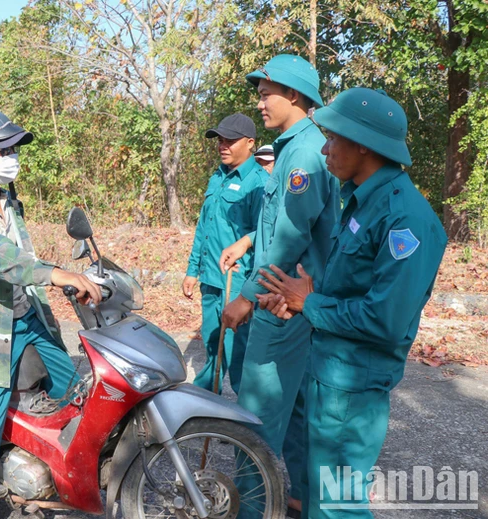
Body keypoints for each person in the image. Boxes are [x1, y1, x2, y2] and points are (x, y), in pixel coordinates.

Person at [256, 88, 447, 518]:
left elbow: (386, 319)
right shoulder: (363, 200)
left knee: (337, 508)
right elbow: (348, 289)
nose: (324, 148)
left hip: (353, 388)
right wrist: (297, 299)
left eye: (334, 138)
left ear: (364, 144)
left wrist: (310, 305)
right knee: (322, 502)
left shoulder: (405, 218)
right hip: (329, 376)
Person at [0, 110, 102, 519]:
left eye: (13, 148)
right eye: (2, 149)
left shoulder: (10, 200)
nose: (12, 156)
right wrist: (54, 272)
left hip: (26, 319)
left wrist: (62, 280)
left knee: (76, 395)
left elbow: (20, 258)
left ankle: (62, 477)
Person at [217, 54, 340, 516]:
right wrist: (250, 240)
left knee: (255, 423)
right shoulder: (296, 147)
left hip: (279, 305)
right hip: (294, 303)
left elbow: (288, 239)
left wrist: (244, 300)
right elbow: (278, 226)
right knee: (299, 418)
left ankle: (252, 509)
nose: (260, 102)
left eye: (267, 93)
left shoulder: (303, 154)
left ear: (293, 95)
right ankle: (306, 500)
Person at [182, 113, 268, 395]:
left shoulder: (259, 183)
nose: (223, 145)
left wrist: (252, 289)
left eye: (230, 140)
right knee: (212, 344)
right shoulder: (217, 177)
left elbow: (265, 234)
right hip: (211, 278)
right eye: (220, 140)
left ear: (250, 143)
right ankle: (212, 413)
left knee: (234, 353)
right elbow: (203, 227)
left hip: (237, 282)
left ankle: (240, 422)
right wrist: (192, 270)